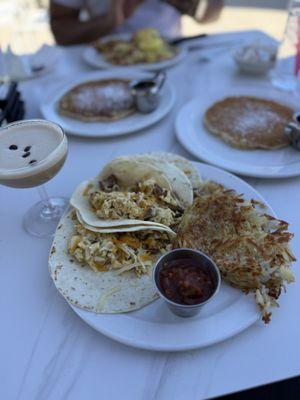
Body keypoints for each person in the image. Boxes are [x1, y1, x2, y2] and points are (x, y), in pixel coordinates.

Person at [50, 0, 223, 45]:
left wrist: (187, 4)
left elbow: (212, 15)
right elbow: (61, 33)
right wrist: (109, 22)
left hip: (171, 57)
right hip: (104, 62)